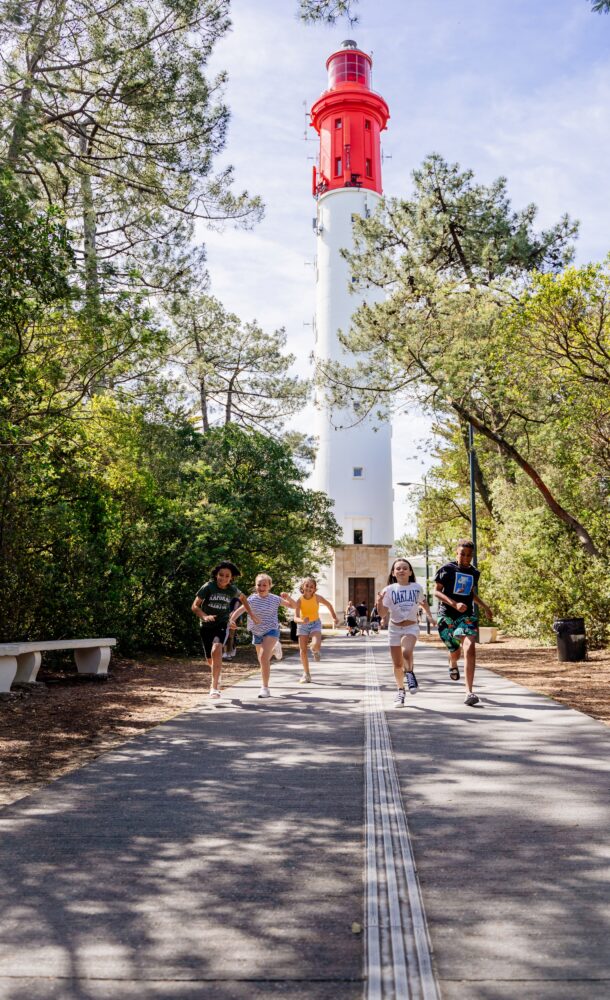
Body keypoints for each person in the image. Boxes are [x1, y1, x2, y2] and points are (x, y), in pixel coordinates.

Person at [434, 539, 493, 707]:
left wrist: (485, 607)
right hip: (447, 616)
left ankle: (469, 691)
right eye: (462, 554)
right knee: (455, 650)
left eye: (469, 555)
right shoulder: (446, 570)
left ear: (472, 556)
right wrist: (453, 604)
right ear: (456, 553)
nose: (465, 558)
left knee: (469, 645)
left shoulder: (474, 573)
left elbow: (470, 593)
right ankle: (452, 662)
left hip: (466, 615)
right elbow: (436, 592)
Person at [191, 561, 260, 700]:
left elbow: (243, 598)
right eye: (221, 575)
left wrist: (251, 614)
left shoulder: (232, 589)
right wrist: (205, 616)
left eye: (227, 576)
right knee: (210, 660)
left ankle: (214, 687)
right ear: (216, 575)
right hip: (206, 625)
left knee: (216, 647)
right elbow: (194, 606)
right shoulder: (208, 587)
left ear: (231, 577)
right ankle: (217, 674)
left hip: (222, 623)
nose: (223, 578)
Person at [376, 558, 436, 706]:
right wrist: (379, 602)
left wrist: (429, 616)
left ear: (410, 572)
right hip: (394, 628)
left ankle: (409, 673)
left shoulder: (416, 588)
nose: (401, 570)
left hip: (411, 627)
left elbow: (423, 603)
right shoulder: (388, 590)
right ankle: (400, 691)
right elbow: (383, 614)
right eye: (398, 568)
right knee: (397, 665)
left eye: (404, 568)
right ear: (393, 572)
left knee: (406, 652)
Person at [229, 573, 296, 699]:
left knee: (263, 657)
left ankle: (265, 688)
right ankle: (275, 648)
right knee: (262, 660)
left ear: (269, 586)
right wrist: (232, 620)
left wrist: (289, 598)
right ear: (255, 586)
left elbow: (294, 606)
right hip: (257, 632)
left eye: (264, 585)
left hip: (271, 630)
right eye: (259, 585)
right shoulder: (252, 599)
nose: (261, 587)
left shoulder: (275, 599)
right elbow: (240, 610)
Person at [293, 576, 338, 683]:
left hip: (315, 623)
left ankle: (315, 650)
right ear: (303, 587)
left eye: (311, 587)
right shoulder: (299, 600)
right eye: (307, 586)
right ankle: (306, 674)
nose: (309, 588)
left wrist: (334, 617)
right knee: (303, 650)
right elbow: (295, 617)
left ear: (314, 589)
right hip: (302, 624)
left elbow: (329, 605)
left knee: (316, 643)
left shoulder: (317, 598)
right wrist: (301, 621)